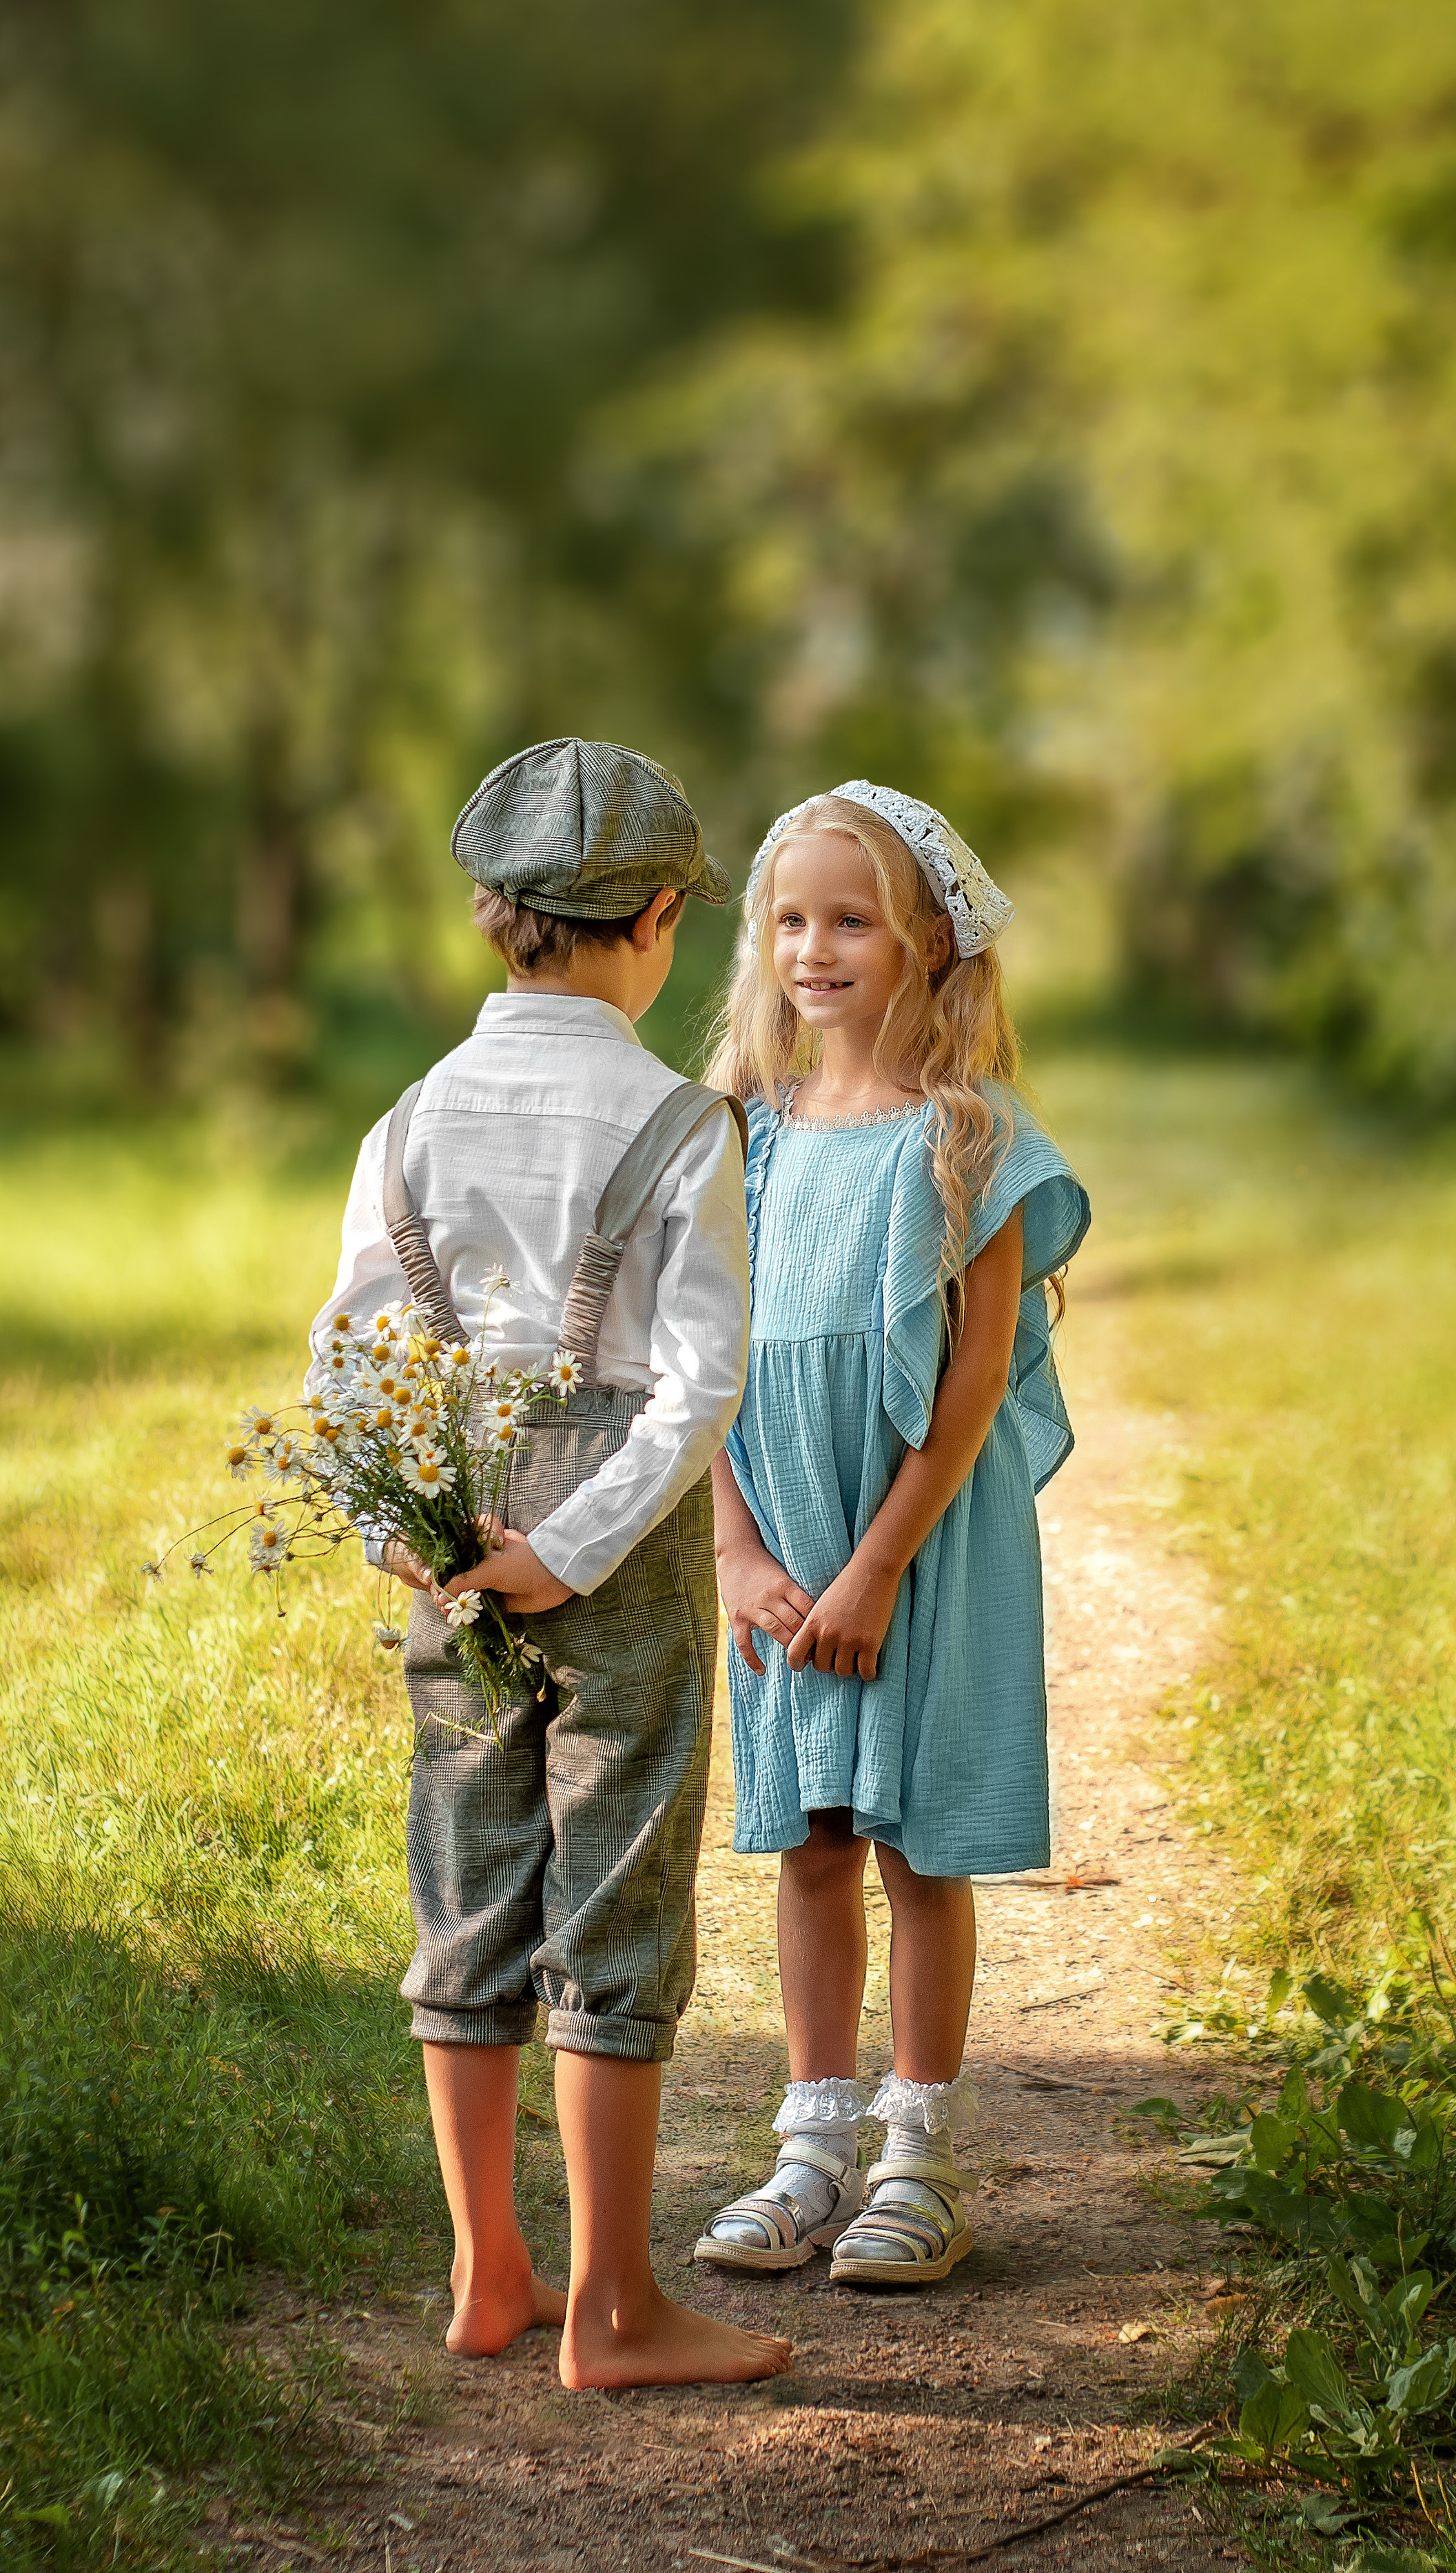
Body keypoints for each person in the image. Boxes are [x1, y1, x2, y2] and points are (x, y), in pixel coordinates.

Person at [307, 737, 791, 2387]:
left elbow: (352, 1349)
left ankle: (483, 2271)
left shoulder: (407, 1117)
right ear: (657, 918)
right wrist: (569, 1546)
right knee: (614, 1889)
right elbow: (698, 1378)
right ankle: (613, 2307)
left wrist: (415, 1532)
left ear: (487, 919)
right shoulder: (679, 1122)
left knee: (468, 1870)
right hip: (615, 1542)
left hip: (450, 1524)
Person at [694, 781, 1090, 2286]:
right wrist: (736, 1549)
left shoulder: (971, 1137)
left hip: (913, 1543)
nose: (815, 947)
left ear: (927, 937)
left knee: (918, 1845)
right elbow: (705, 1357)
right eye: (789, 919)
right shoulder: (739, 1137)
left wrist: (874, 1567)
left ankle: (917, 2156)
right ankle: (809, 2144)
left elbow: (976, 1378)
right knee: (806, 1838)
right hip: (782, 1535)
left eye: (850, 917)